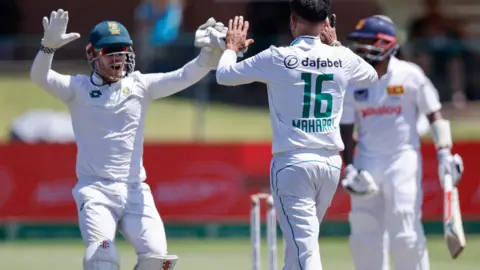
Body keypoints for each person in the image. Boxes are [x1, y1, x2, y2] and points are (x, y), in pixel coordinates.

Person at [30, 9, 227, 270]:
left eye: (122, 51)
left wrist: (206, 58)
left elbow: (182, 76)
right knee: (102, 256)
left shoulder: (139, 86)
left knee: (158, 261)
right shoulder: (77, 89)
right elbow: (39, 77)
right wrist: (47, 48)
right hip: (96, 191)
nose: (118, 58)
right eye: (109, 52)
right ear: (92, 55)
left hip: (136, 191)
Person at [211, 0, 378, 268]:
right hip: (330, 164)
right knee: (300, 245)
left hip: (293, 163)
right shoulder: (341, 57)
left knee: (304, 249)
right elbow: (371, 76)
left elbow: (224, 75)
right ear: (326, 24)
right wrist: (335, 44)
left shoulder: (277, 57)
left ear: (292, 21)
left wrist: (231, 48)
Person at [338, 15, 464, 270]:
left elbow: (434, 113)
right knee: (363, 236)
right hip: (366, 163)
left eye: (367, 42)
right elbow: (346, 127)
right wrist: (349, 168)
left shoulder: (410, 74)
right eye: (358, 43)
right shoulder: (353, 80)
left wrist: (444, 154)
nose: (361, 49)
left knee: (405, 231)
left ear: (386, 43)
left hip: (403, 160)